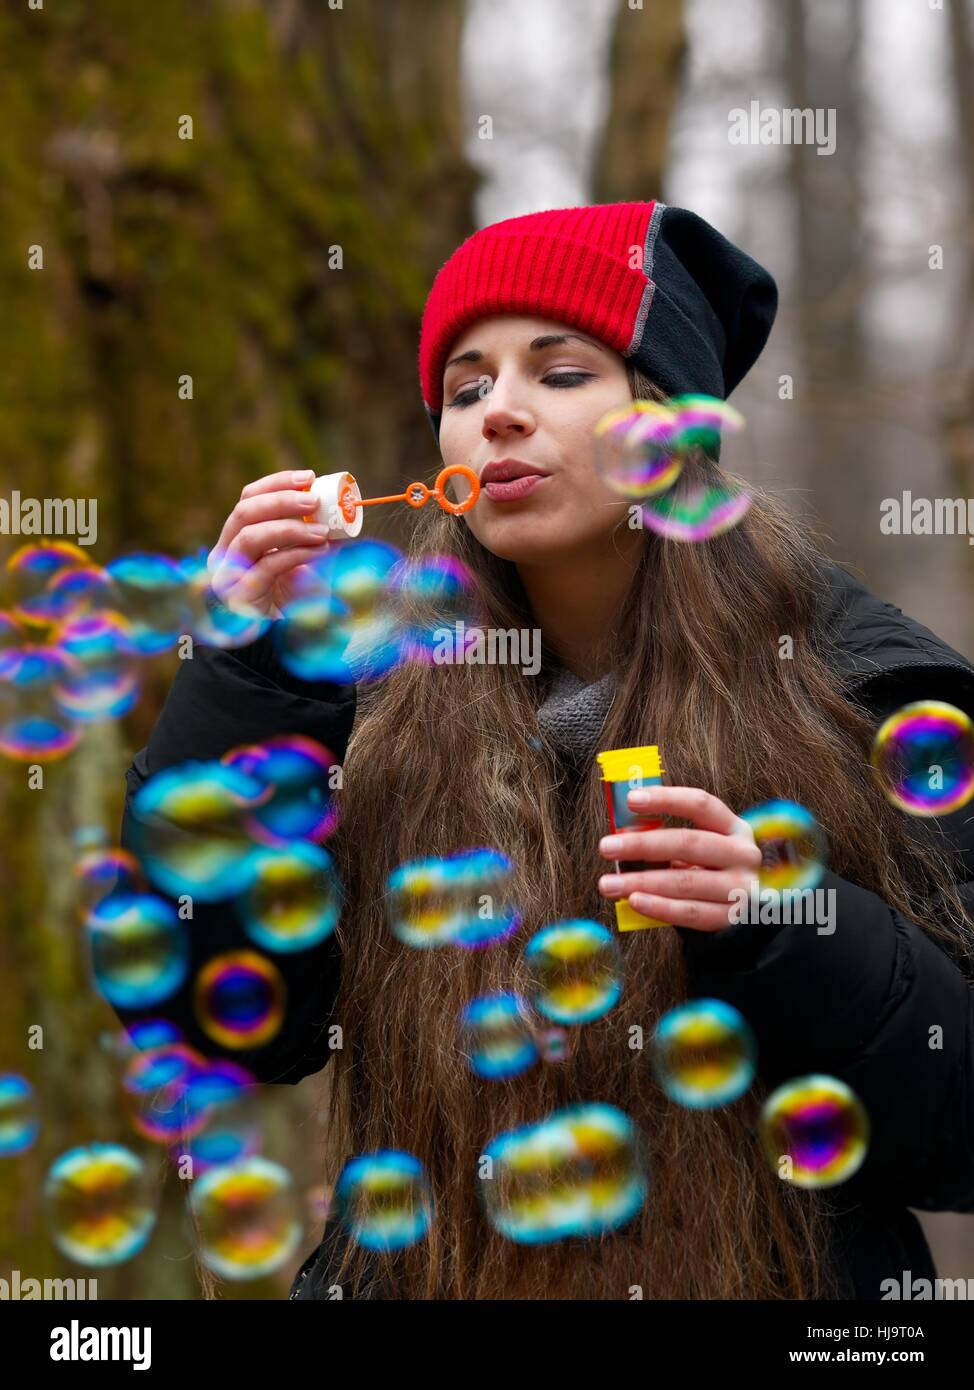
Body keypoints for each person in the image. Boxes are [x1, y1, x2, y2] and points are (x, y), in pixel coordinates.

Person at [118, 201, 974, 1301]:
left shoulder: (861, 696)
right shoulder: (367, 713)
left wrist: (784, 921)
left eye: (558, 373)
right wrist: (244, 672)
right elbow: (221, 1029)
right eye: (466, 388)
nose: (498, 415)